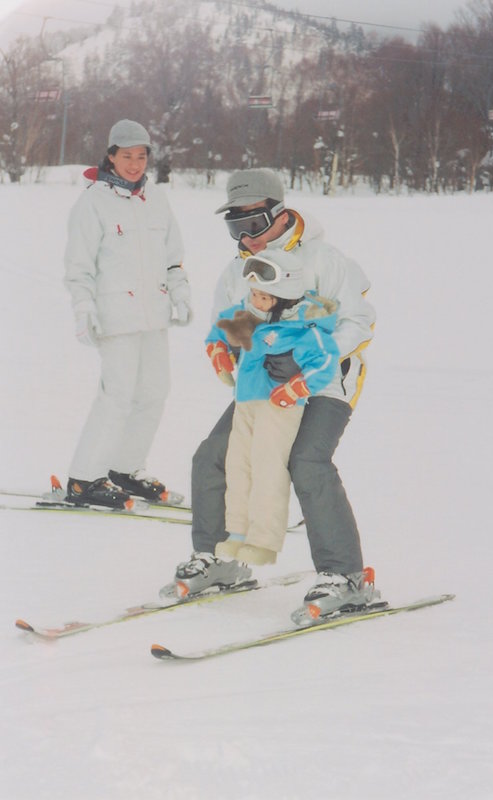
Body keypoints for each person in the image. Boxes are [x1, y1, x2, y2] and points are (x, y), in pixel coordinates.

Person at [163, 167, 377, 620]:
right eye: (235, 227)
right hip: (264, 386)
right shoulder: (238, 269)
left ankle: (346, 577)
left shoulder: (324, 259)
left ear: (280, 215)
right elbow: (236, 322)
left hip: (326, 380)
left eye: (254, 225)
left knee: (306, 460)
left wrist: (307, 362)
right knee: (212, 456)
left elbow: (359, 322)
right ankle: (221, 558)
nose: (247, 237)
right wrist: (225, 349)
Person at [64, 119, 191, 509]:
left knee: (154, 392)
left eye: (141, 156)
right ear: (111, 156)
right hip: (115, 317)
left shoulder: (156, 199)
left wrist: (181, 294)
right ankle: (85, 478)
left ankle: (124, 468)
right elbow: (78, 267)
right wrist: (84, 308)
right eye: (126, 156)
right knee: (116, 396)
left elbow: (173, 258)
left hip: (153, 316)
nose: (134, 164)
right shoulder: (92, 203)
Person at [207, 250, 339, 569]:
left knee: (267, 468)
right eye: (253, 293)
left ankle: (263, 541)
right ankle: (238, 532)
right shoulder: (248, 315)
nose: (256, 300)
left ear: (284, 298)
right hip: (247, 403)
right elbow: (218, 332)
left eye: (264, 296)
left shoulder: (305, 329)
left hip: (278, 408)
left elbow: (324, 362)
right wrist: (219, 353)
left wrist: (294, 388)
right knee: (238, 465)